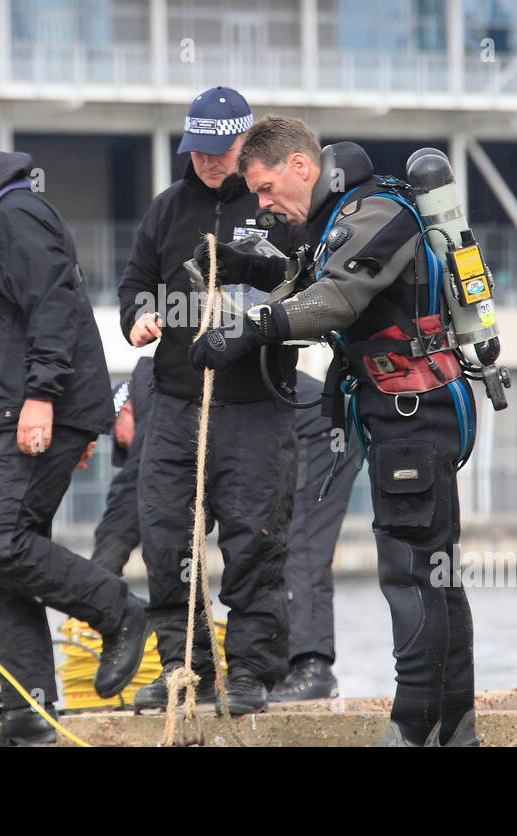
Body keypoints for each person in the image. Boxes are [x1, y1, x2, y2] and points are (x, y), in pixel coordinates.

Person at [189, 116, 480, 746]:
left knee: (411, 575)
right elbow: (309, 283)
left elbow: (336, 300)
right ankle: (455, 732)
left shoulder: (379, 212)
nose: (263, 204)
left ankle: (413, 729)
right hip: (399, 411)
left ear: (300, 165)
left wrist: (249, 328)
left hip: (413, 413)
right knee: (435, 575)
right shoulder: (342, 219)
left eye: (266, 188)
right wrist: (245, 268)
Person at [0, 122, 150, 745]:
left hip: (35, 408)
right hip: (19, 408)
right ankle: (27, 713)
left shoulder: (11, 215)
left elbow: (56, 307)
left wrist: (44, 400)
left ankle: (119, 612)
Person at [118, 87, 298, 715]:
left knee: (255, 541)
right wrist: (140, 316)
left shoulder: (275, 201)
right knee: (167, 541)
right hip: (174, 403)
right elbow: (136, 281)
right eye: (198, 153)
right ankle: (184, 670)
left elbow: (306, 283)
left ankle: (249, 671)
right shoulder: (168, 208)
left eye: (220, 153)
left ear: (245, 144)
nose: (209, 164)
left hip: (255, 405)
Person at [269, 370, 360, 702]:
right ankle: (281, 666)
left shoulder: (156, 395)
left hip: (320, 432)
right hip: (294, 431)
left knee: (302, 543)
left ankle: (313, 667)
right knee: (271, 547)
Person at [90, 356, 154, 577]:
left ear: (125, 410)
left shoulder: (158, 416)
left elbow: (130, 493)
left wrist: (98, 581)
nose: (125, 446)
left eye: (118, 439)